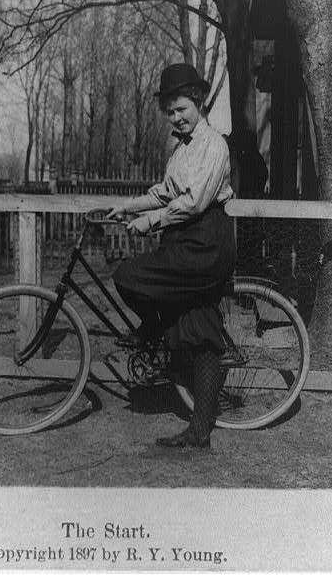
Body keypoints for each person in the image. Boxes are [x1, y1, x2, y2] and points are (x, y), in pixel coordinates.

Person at [107, 63, 236, 448]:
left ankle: (151, 328)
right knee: (198, 331)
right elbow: (166, 191)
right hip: (184, 241)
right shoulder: (181, 149)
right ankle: (199, 431)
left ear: (197, 102)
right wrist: (128, 207)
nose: (176, 118)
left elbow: (195, 202)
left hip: (205, 241)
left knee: (129, 275)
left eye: (181, 109)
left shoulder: (213, 144)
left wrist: (151, 222)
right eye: (170, 112)